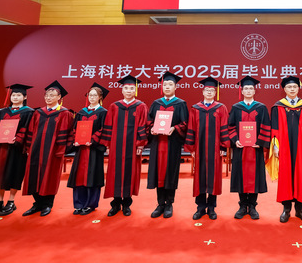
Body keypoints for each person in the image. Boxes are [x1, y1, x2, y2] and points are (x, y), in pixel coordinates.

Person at [267, 76, 302, 224]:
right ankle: (286, 210)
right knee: (285, 175)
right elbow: (274, 129)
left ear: (299, 88)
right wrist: (275, 146)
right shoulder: (278, 107)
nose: (292, 89)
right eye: (289, 87)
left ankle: (300, 210)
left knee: (301, 176)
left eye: (294, 87)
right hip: (284, 146)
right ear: (284, 89)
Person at [95, 74, 147, 217]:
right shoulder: (114, 106)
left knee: (130, 173)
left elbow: (143, 125)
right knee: (115, 173)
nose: (129, 91)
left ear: (135, 90)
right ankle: (116, 203)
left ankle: (127, 204)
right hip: (116, 146)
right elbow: (108, 126)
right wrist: (107, 144)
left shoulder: (141, 106)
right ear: (122, 90)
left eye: (131, 88)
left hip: (132, 147)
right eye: (126, 88)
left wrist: (140, 145)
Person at [22, 81, 74, 217]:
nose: (48, 98)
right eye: (46, 95)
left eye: (52, 95)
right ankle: (37, 203)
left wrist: (62, 149)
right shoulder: (38, 113)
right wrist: (29, 147)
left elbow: (69, 133)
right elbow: (31, 131)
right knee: (33, 175)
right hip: (36, 150)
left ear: (59, 97)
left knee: (50, 176)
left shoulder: (65, 113)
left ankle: (47, 204)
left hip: (53, 151)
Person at [0, 84, 35, 217]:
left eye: (18, 95)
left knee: (15, 174)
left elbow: (29, 130)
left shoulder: (29, 113)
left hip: (17, 149)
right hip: (1, 148)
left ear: (25, 97)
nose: (15, 97)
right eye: (13, 95)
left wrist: (17, 139)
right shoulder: (2, 112)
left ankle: (11, 201)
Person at [185, 76, 230, 220]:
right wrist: (192, 148)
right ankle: (200, 207)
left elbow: (224, 128)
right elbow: (191, 128)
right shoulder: (195, 109)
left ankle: (211, 208)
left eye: (212, 90)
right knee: (199, 177)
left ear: (215, 92)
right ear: (203, 92)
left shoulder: (221, 108)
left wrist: (223, 147)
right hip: (199, 149)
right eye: (207, 90)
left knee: (213, 177)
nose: (209, 92)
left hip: (215, 150)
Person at [147, 71, 189, 219]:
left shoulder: (180, 104)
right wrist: (151, 128)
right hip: (158, 143)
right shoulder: (156, 104)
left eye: (170, 84)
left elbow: (185, 123)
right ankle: (160, 203)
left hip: (172, 144)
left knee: (171, 172)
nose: (167, 87)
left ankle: (169, 203)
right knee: (158, 172)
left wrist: (174, 128)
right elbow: (149, 121)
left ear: (175, 87)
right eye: (165, 84)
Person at [228, 76, 270, 220]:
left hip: (255, 149)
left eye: (251, 88)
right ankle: (242, 206)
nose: (248, 90)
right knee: (240, 176)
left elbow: (266, 126)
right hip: (240, 149)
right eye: (246, 88)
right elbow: (230, 126)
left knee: (255, 176)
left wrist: (260, 141)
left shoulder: (261, 108)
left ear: (254, 90)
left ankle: (252, 206)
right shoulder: (236, 107)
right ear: (242, 91)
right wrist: (235, 140)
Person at [67, 83, 109, 215]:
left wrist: (92, 140)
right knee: (79, 176)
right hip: (81, 150)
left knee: (92, 177)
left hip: (94, 150)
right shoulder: (81, 112)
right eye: (90, 95)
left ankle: (90, 205)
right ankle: (79, 204)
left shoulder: (103, 113)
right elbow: (75, 129)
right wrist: (76, 140)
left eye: (94, 95)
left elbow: (103, 129)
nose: (92, 97)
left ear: (100, 97)